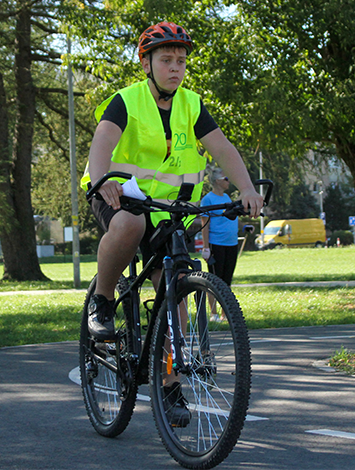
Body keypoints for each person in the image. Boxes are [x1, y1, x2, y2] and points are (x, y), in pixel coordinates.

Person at [81, 21, 264, 425]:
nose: (175, 68)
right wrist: (99, 182)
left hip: (168, 207)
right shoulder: (126, 101)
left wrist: (248, 188)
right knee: (128, 226)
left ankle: (170, 385)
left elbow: (223, 148)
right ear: (146, 63)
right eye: (166, 60)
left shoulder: (191, 105)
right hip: (119, 194)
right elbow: (102, 143)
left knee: (175, 292)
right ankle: (104, 300)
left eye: (181, 60)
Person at [200, 166, 240, 321]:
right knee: (215, 280)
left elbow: (232, 218)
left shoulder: (227, 198)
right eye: (226, 179)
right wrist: (205, 247)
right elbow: (205, 223)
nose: (229, 181)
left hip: (231, 243)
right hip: (216, 244)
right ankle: (214, 313)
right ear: (217, 181)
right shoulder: (208, 199)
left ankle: (226, 313)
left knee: (227, 280)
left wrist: (244, 226)